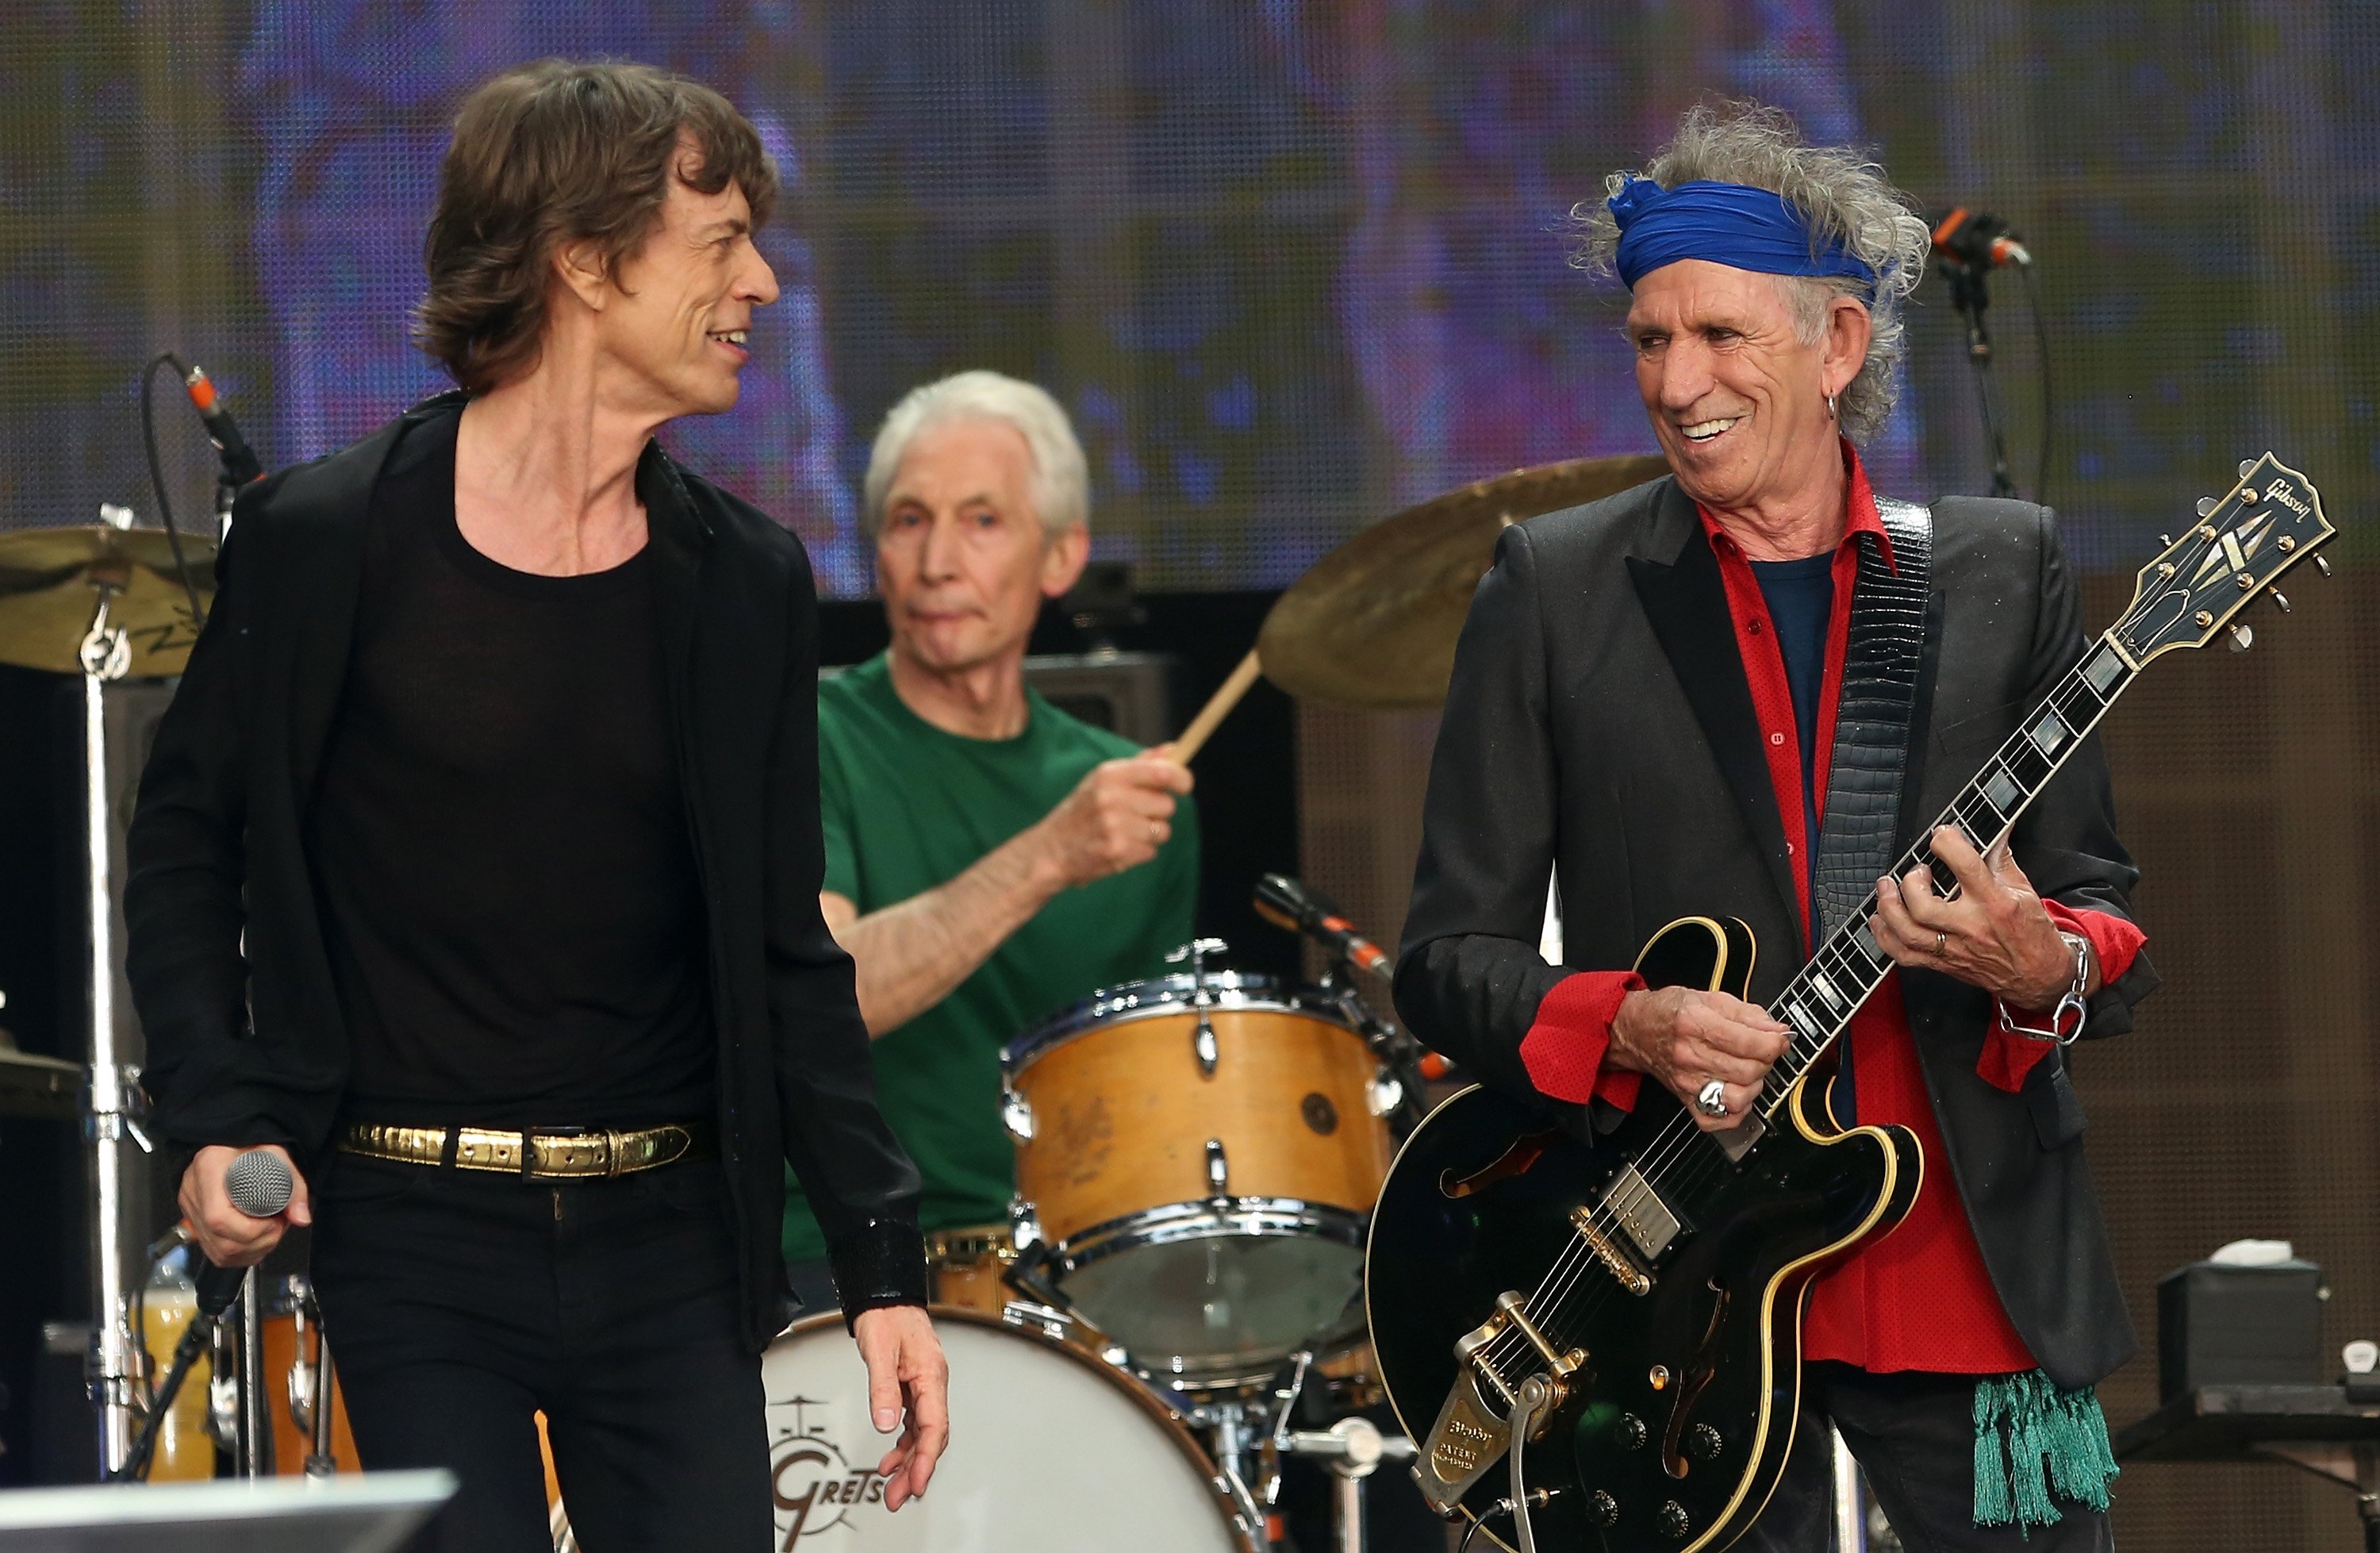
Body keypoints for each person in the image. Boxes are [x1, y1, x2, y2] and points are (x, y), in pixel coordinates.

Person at [125, 60, 945, 1551]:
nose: (761, 280)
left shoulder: (743, 582)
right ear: (582, 258)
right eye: (720, 241)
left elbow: (786, 952)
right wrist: (215, 1114)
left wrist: (882, 1260)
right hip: (410, 1230)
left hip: (673, 1237)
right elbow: (187, 843)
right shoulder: (328, 542)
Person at [1394, 100, 2157, 1551]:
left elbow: (2104, 915)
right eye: (1649, 340)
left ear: (1841, 346)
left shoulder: (2004, 573)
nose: (1678, 383)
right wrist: (1629, 1023)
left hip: (1971, 1279)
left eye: (1722, 337)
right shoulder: (1555, 590)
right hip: (1685, 1312)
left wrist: (2030, 960)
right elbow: (1445, 957)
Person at [778, 370, 1200, 1301]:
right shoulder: (805, 736)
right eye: (907, 521)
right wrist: (1050, 856)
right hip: (837, 1264)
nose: (937, 562)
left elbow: (1153, 1097)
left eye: (982, 522)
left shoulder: (1130, 800)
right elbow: (820, 997)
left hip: (1062, 1276)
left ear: (1060, 557)